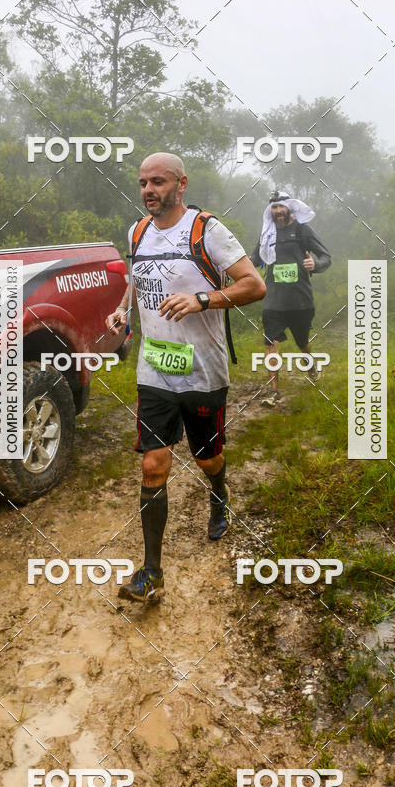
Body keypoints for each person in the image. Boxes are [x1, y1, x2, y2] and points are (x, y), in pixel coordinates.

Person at [105, 152, 266, 603]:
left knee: (206, 457)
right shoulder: (136, 231)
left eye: (158, 181)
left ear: (181, 184)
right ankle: (152, 571)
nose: (148, 190)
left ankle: (219, 491)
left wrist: (203, 299)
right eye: (142, 183)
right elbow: (138, 281)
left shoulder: (206, 230)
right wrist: (123, 313)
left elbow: (254, 285)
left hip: (202, 372)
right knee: (154, 465)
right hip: (154, 369)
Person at [251, 191, 331, 391]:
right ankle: (273, 390)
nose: (278, 211)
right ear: (270, 211)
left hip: (299, 300)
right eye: (274, 208)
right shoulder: (267, 233)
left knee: (302, 342)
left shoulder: (303, 230)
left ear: (289, 208)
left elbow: (325, 257)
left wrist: (316, 264)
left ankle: (311, 366)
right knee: (270, 341)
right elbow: (253, 261)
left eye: (281, 207)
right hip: (273, 299)